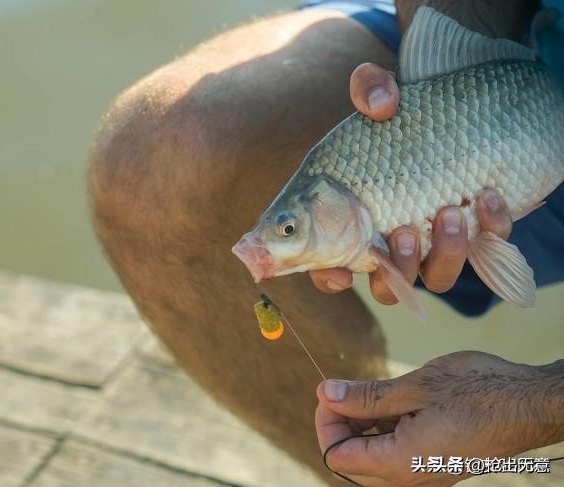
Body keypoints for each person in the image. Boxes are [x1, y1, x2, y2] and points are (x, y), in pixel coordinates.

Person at [89, 0, 563, 484]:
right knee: (152, 160)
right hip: (531, 57)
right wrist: (455, 55)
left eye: (288, 229)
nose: (271, 244)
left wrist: (537, 407)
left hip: (533, 119)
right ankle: (366, 474)